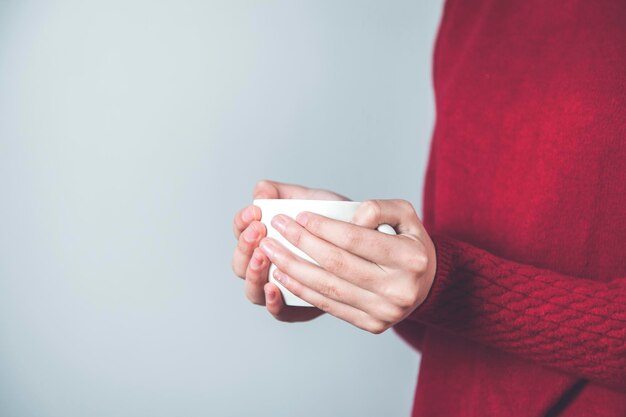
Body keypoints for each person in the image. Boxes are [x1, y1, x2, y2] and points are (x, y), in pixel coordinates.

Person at [231, 1, 626, 415]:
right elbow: (456, 337)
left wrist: (449, 283)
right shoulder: (469, 13)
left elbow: (455, 284)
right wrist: (362, 265)